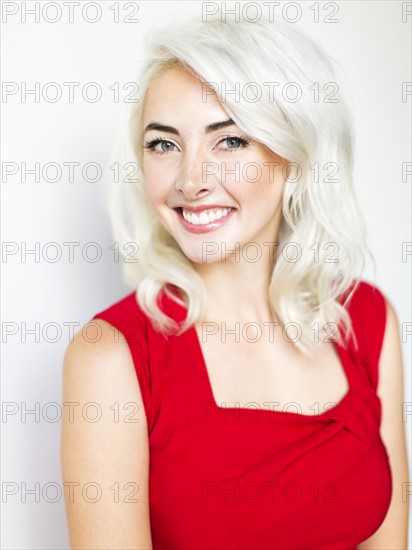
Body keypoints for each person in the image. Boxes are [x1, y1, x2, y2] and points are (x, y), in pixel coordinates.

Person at [60, 14, 409, 550]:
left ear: (294, 157)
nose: (192, 181)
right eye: (163, 144)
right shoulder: (112, 356)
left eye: (230, 142)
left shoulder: (365, 321)